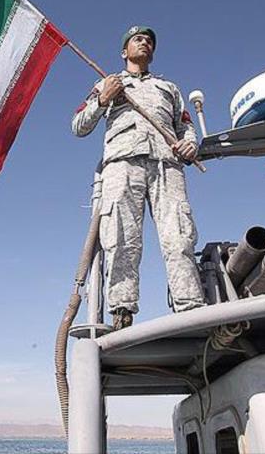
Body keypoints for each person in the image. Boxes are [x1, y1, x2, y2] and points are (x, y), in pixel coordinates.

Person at [72, 26, 205, 330]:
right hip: (121, 164)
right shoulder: (107, 82)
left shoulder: (168, 88)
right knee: (120, 237)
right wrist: (103, 99)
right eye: (138, 39)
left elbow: (185, 126)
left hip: (166, 165)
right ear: (124, 51)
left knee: (179, 235)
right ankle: (122, 311)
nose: (144, 43)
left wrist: (190, 143)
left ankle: (190, 309)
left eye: (149, 41)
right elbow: (79, 125)